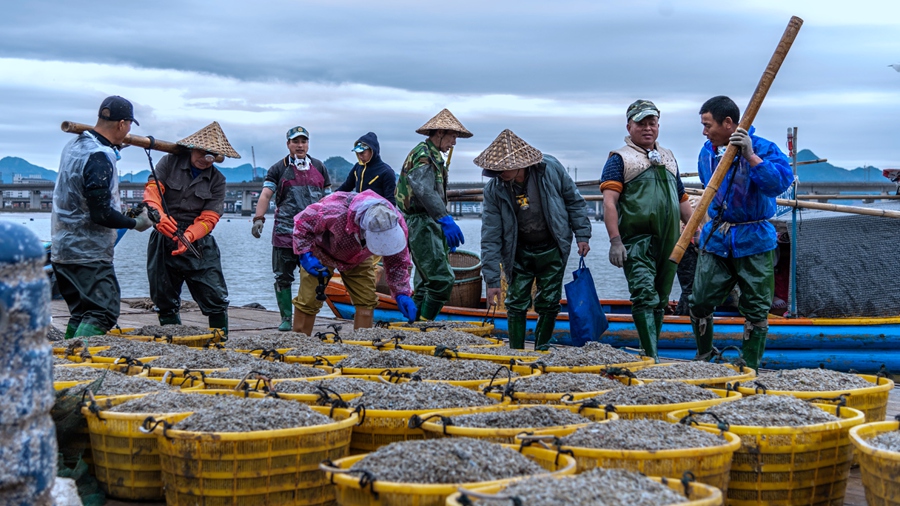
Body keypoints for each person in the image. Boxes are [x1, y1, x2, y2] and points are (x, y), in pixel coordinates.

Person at [689, 96, 792, 370]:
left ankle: (749, 366)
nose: (704, 131)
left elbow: (779, 184)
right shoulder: (706, 152)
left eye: (707, 124)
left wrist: (750, 156)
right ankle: (703, 358)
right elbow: (707, 185)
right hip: (717, 238)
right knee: (699, 301)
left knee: (757, 307)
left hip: (754, 238)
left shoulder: (764, 148)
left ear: (728, 123)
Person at [478, 129, 592, 349]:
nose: (498, 173)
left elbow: (574, 201)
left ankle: (541, 348)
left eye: (502, 168)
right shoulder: (494, 189)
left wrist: (582, 234)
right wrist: (492, 280)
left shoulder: (551, 169)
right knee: (515, 302)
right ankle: (516, 350)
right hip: (518, 251)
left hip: (553, 245)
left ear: (521, 162)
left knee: (549, 303)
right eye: (495, 170)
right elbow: (490, 236)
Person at [51, 96, 153, 339]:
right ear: (122, 124)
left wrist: (114, 148)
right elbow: (101, 213)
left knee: (81, 311)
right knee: (103, 311)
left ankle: (66, 357)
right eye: (128, 124)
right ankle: (77, 357)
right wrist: (135, 223)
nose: (128, 130)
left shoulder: (75, 146)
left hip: (62, 248)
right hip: (88, 253)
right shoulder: (99, 157)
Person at [600, 100, 693, 362]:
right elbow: (610, 202)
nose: (648, 128)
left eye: (652, 123)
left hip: (669, 241)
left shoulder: (669, 157)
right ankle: (651, 356)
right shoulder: (619, 159)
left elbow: (682, 199)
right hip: (636, 240)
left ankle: (646, 350)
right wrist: (615, 241)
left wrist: (697, 231)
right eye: (641, 123)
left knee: (661, 299)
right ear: (629, 126)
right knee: (644, 294)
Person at [143, 121, 240, 334]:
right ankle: (173, 339)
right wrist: (158, 215)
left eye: (212, 155)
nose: (206, 159)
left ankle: (219, 342)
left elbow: (210, 217)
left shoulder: (217, 180)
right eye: (202, 153)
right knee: (163, 296)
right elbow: (153, 190)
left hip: (198, 240)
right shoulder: (169, 162)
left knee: (215, 295)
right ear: (192, 149)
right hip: (164, 233)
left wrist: (190, 235)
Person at [291, 190, 416, 335]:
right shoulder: (334, 211)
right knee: (308, 300)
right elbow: (302, 224)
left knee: (366, 300)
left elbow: (397, 261)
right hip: (321, 252)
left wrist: (401, 292)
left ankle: (361, 344)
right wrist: (305, 254)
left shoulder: (395, 222)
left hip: (358, 256)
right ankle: (299, 340)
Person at [251, 126, 331, 331]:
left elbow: (328, 199)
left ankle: (306, 315)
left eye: (303, 141)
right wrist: (259, 218)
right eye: (295, 142)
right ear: (288, 144)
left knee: (314, 274)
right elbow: (266, 194)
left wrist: (331, 225)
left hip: (314, 235)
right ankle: (286, 318)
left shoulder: (320, 167)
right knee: (283, 277)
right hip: (285, 233)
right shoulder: (278, 168)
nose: (300, 145)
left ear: (308, 144)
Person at [396, 109, 472, 320]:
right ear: (440, 132)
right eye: (453, 136)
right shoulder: (424, 155)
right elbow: (424, 190)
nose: (454, 143)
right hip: (420, 223)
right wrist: (445, 219)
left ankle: (415, 325)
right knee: (441, 280)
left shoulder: (431, 154)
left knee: (424, 283)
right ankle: (425, 324)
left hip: (426, 222)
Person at [337, 132, 396, 204]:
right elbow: (346, 187)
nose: (360, 156)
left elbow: (390, 201)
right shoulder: (357, 167)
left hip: (377, 212)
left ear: (372, 151)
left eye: (362, 153)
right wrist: (332, 197)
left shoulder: (386, 172)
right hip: (358, 209)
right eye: (358, 153)